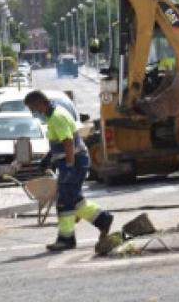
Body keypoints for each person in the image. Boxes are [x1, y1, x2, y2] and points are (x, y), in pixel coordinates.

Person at [24, 90, 114, 253]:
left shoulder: (56, 117)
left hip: (74, 162)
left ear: (40, 104)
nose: (33, 112)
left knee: (65, 202)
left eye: (33, 108)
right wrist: (49, 158)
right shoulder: (54, 115)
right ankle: (102, 219)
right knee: (74, 199)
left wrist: (70, 166)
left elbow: (68, 142)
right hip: (73, 161)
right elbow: (60, 142)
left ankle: (66, 239)